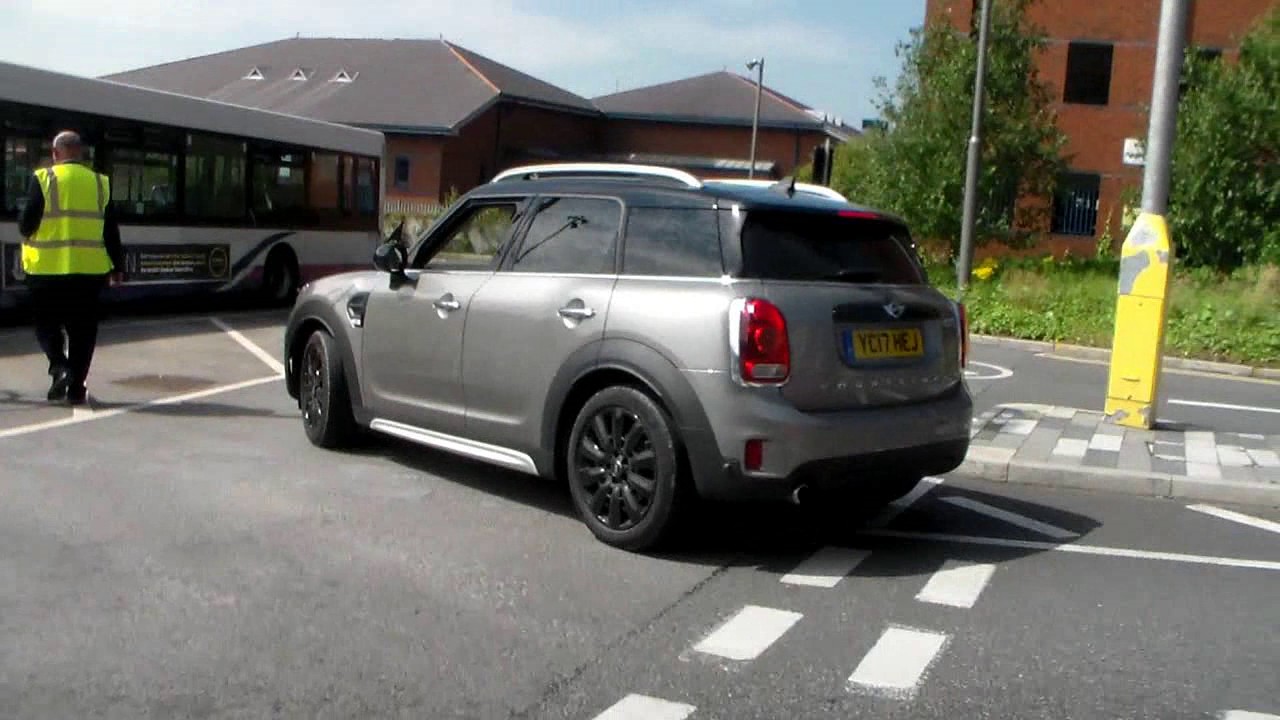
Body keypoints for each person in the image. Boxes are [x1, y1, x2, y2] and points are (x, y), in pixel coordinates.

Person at [16, 130, 125, 406]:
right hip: (88, 273)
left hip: (45, 272)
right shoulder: (100, 183)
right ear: (81, 153)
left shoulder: (44, 179)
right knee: (83, 333)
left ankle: (59, 366)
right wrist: (118, 266)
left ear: (55, 153)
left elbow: (26, 225)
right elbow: (110, 231)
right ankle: (76, 389)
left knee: (45, 323)